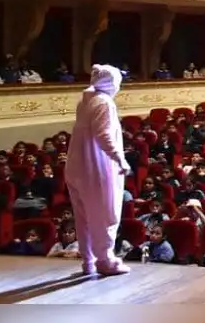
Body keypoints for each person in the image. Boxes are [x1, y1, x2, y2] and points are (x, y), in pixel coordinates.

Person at [64, 64, 132, 276]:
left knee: (83, 216)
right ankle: (105, 260)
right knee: (104, 213)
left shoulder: (85, 100)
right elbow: (104, 135)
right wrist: (120, 159)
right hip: (96, 166)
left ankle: (88, 261)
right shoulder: (103, 103)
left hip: (76, 165)